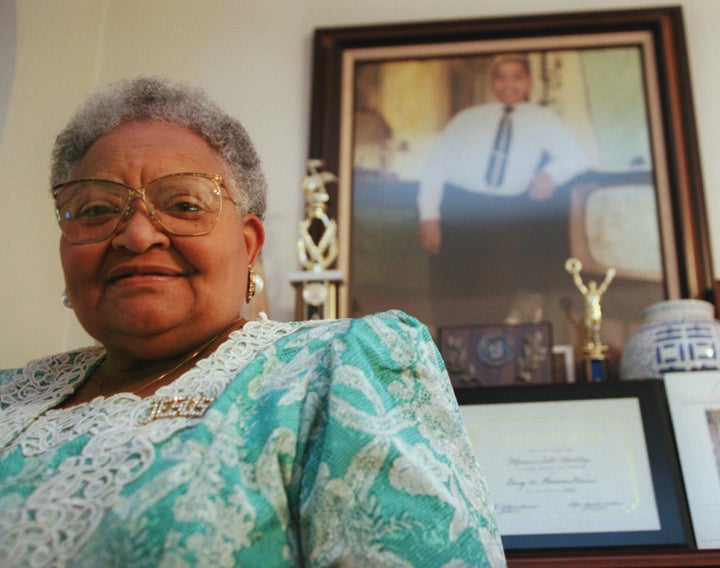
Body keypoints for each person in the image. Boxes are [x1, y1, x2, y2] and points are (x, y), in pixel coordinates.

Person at [0, 77, 506, 566]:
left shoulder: (341, 366)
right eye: (94, 209)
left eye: (183, 204)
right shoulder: (13, 394)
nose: (135, 235)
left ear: (248, 246)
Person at [417, 54, 589, 324]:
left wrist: (549, 175)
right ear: (491, 83)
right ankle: (447, 355)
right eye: (501, 77)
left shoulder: (544, 119)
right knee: (450, 288)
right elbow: (436, 165)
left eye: (517, 77)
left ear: (529, 82)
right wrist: (429, 215)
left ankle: (485, 351)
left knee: (498, 290)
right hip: (459, 207)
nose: (508, 84)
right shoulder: (468, 119)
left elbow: (577, 157)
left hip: (505, 214)